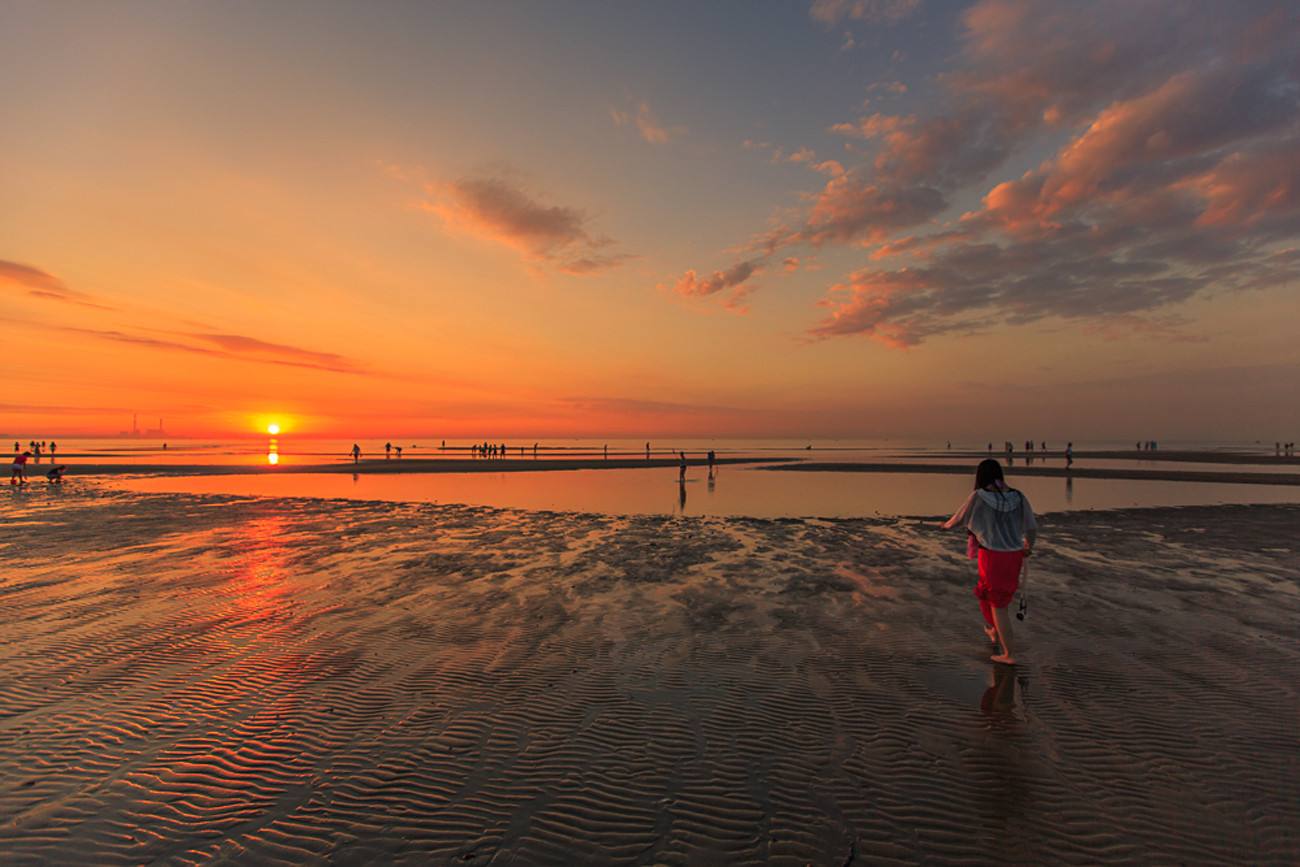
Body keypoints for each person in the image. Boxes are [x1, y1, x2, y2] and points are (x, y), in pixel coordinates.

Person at [941, 459, 1037, 665]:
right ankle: (994, 630)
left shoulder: (980, 496)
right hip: (1014, 554)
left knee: (998, 603)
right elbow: (1031, 526)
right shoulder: (1018, 496)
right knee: (985, 594)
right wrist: (1029, 546)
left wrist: (945, 526)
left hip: (993, 555)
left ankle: (1009, 654)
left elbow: (959, 517)